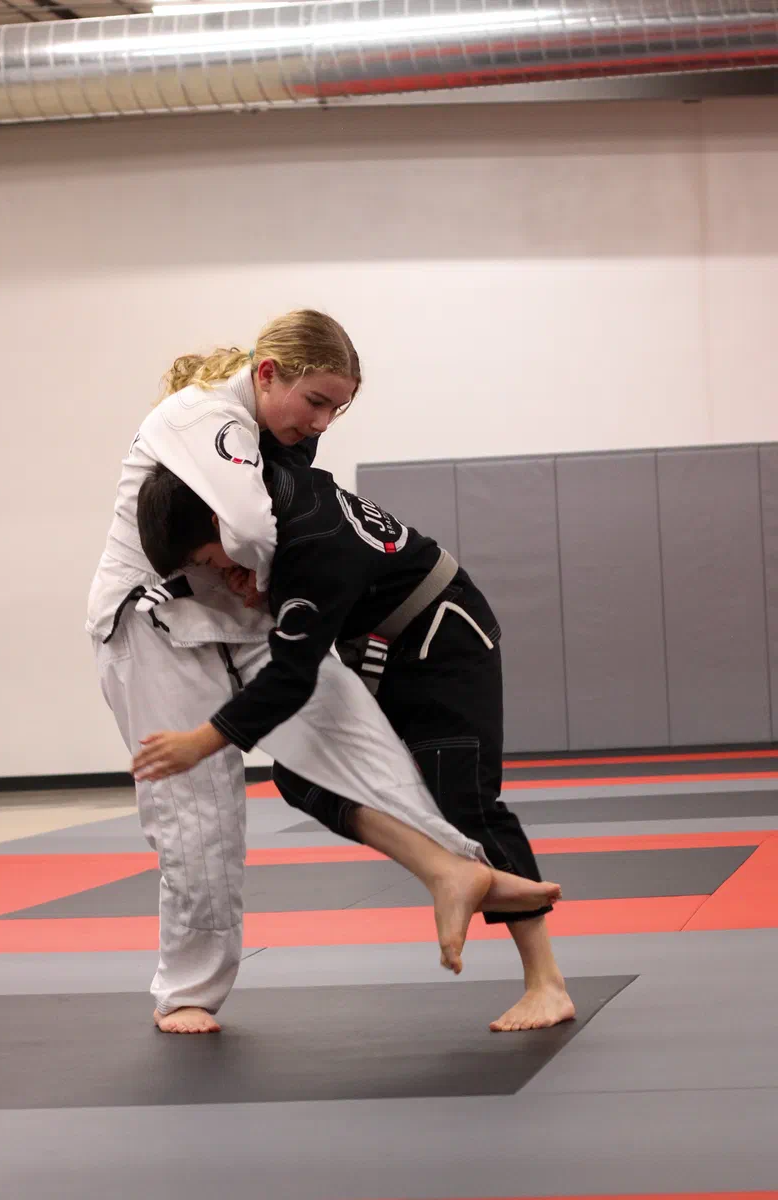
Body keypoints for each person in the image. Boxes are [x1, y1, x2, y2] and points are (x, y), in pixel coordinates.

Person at [86, 308, 557, 1036]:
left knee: (360, 747)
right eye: (317, 402)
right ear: (267, 373)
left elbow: (275, 611)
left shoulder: (293, 474)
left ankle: (451, 869)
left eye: (339, 409)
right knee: (200, 811)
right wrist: (255, 577)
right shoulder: (200, 416)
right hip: (154, 617)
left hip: (306, 617)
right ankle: (189, 991)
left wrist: (256, 586)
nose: (324, 422)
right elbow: (243, 529)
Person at [131, 454, 576, 1034]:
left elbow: (291, 677)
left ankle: (547, 982)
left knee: (463, 796)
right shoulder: (271, 492)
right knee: (301, 771)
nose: (213, 573)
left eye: (205, 560)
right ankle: (445, 870)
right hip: (378, 642)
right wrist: (261, 582)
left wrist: (203, 740)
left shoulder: (309, 546)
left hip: (443, 636)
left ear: (219, 523)